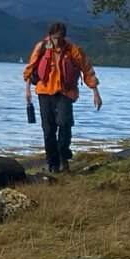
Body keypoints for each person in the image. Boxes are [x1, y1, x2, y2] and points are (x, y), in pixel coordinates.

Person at [23, 21, 101, 175]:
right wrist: (27, 91)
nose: (57, 41)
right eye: (54, 38)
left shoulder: (73, 50)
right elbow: (30, 68)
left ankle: (63, 155)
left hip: (66, 92)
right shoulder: (42, 47)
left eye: (60, 38)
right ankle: (52, 164)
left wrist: (96, 93)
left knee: (64, 123)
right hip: (45, 91)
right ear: (49, 36)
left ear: (64, 37)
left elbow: (87, 70)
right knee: (48, 129)